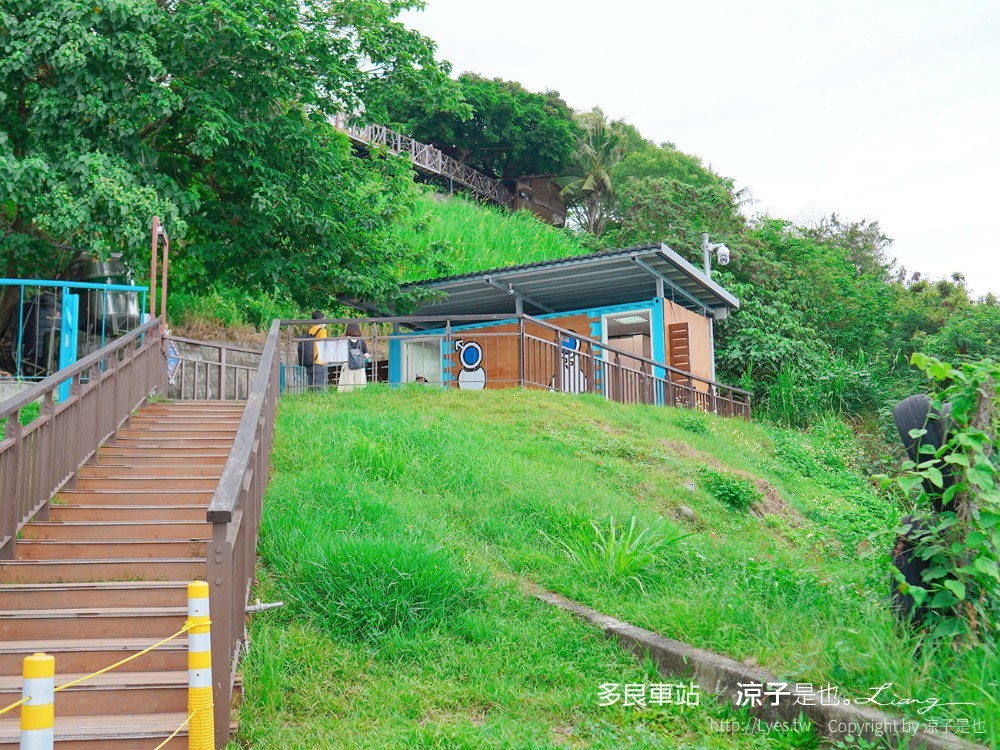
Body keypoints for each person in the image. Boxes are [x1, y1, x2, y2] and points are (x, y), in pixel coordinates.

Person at [338, 322, 371, 392]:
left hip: (347, 365)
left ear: (347, 329)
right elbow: (366, 355)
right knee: (360, 387)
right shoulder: (361, 341)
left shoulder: (343, 341)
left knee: (347, 387)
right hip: (359, 366)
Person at [305, 311, 329, 389]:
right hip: (319, 361)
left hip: (310, 362)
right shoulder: (322, 331)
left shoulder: (311, 330)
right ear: (322, 319)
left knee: (311, 388)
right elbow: (323, 345)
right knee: (319, 388)